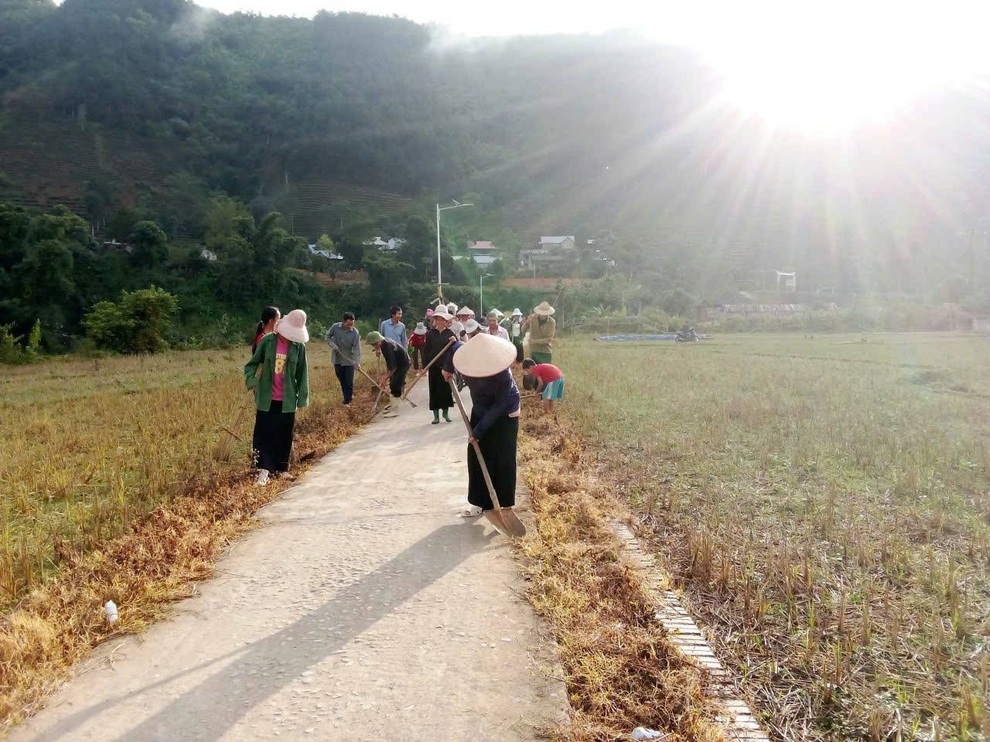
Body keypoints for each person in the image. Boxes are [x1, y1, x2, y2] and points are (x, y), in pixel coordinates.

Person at [442, 334, 520, 517]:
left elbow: (499, 405)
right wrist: (447, 368)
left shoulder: (502, 373)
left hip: (506, 412)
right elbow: (454, 346)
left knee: (503, 457)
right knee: (477, 455)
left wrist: (479, 431)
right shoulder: (465, 354)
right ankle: (479, 503)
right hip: (481, 407)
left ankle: (504, 504)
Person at [244, 309, 310, 485]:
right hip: (267, 397)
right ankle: (262, 469)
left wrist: (303, 397)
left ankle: (282, 469)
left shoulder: (299, 348)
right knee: (264, 433)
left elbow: (303, 374)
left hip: (287, 399)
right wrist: (252, 382)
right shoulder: (267, 342)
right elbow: (251, 365)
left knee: (284, 434)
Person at [422, 307, 456, 424]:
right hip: (433, 366)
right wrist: (424, 366)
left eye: (443, 319)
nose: (440, 321)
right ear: (435, 320)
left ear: (446, 321)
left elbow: (454, 349)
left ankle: (445, 414)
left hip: (445, 367)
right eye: (438, 319)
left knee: (445, 391)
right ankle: (436, 416)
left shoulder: (450, 334)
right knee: (434, 391)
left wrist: (454, 341)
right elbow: (426, 351)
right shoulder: (431, 334)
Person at [364, 330, 410, 418]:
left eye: (373, 344)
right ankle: (392, 406)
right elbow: (391, 366)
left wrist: (384, 379)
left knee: (396, 385)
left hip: (403, 364)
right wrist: (378, 350)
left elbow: (393, 368)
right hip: (397, 364)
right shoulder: (384, 343)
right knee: (392, 384)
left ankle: (395, 410)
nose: (373, 346)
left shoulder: (388, 347)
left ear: (377, 342)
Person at [325, 311, 362, 406]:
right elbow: (327, 337)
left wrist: (357, 363)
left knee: (349, 382)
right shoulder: (335, 327)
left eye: (352, 324)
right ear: (343, 322)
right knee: (342, 379)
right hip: (337, 358)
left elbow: (357, 349)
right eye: (348, 324)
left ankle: (347, 401)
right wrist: (333, 345)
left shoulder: (355, 333)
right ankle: (346, 397)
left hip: (349, 359)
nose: (350, 326)